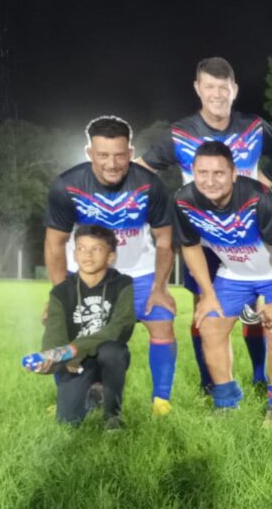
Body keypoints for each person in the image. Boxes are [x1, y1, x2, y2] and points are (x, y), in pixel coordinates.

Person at [138, 57, 272, 393]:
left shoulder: (255, 127)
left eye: (223, 87)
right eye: (209, 87)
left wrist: (265, 181)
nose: (216, 94)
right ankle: (211, 384)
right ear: (197, 89)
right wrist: (159, 210)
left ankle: (261, 377)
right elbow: (141, 171)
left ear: (234, 90)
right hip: (205, 238)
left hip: (253, 236)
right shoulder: (179, 133)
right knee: (205, 308)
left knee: (258, 311)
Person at [43, 116, 177, 416]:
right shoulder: (68, 185)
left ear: (130, 152)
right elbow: (54, 243)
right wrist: (59, 293)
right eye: (103, 155)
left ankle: (161, 402)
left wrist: (160, 288)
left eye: (119, 154)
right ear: (90, 152)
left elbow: (165, 241)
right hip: (86, 275)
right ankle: (76, 395)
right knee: (70, 332)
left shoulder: (149, 185)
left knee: (162, 321)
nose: (112, 163)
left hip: (139, 273)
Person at [172, 142, 272, 418]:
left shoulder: (258, 198)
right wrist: (207, 293)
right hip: (233, 273)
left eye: (219, 173)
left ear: (233, 173)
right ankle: (226, 400)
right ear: (193, 172)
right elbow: (190, 247)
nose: (210, 181)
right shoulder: (183, 200)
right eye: (203, 173)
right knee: (210, 326)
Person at [26, 225, 136, 430]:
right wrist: (50, 358)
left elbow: (121, 326)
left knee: (114, 352)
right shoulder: (60, 292)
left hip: (105, 354)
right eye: (81, 248)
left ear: (110, 256)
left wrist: (74, 348)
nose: (87, 254)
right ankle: (93, 394)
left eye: (96, 249)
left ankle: (112, 416)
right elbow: (54, 332)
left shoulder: (122, 284)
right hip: (74, 361)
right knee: (68, 421)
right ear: (74, 254)